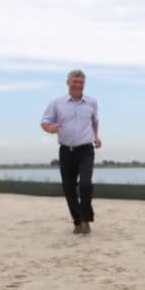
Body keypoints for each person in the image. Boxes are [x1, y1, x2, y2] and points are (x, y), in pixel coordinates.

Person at [41, 69, 101, 235]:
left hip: (86, 150)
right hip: (66, 151)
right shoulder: (57, 103)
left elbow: (95, 121)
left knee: (86, 184)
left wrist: (96, 136)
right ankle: (77, 221)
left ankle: (86, 219)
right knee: (69, 188)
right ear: (68, 83)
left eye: (80, 82)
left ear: (84, 84)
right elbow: (44, 122)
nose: (77, 85)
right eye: (74, 81)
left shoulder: (91, 102)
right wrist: (51, 128)